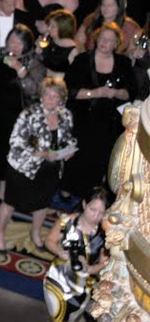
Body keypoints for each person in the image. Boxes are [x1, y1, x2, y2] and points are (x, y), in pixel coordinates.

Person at [0, 78, 77, 252]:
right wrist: (41, 154)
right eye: (47, 94)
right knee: (10, 202)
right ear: (41, 94)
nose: (50, 99)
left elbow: (69, 138)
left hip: (51, 170)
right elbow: (15, 142)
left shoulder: (66, 115)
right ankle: (0, 233)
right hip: (23, 167)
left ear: (61, 98)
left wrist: (69, 150)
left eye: (55, 96)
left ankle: (36, 233)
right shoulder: (29, 114)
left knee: (42, 204)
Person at [43, 188, 109, 322]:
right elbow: (49, 241)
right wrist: (60, 251)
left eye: (101, 212)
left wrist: (91, 268)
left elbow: (104, 263)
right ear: (83, 205)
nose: (96, 216)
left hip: (84, 285)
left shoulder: (106, 233)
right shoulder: (66, 222)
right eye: (92, 209)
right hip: (58, 281)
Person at [63, 23, 136, 199]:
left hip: (108, 121)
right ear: (96, 39)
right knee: (76, 156)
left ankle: (91, 195)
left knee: (99, 158)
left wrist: (116, 92)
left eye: (110, 40)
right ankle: (67, 189)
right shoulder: (82, 60)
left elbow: (131, 91)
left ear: (116, 44)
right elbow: (69, 90)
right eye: (102, 38)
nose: (105, 42)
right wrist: (93, 93)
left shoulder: (123, 63)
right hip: (82, 118)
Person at [0, 25, 46, 190]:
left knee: (6, 143)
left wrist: (19, 69)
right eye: (11, 41)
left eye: (18, 43)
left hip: (16, 110)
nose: (13, 46)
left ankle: (3, 177)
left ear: (27, 45)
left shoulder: (34, 61)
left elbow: (35, 90)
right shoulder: (0, 53)